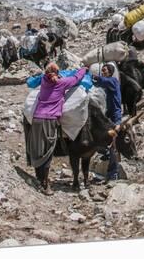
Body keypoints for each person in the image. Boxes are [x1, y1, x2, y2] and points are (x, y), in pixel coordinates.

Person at [23, 62, 87, 194]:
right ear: (57, 74)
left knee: (39, 149)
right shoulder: (61, 83)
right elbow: (76, 79)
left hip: (36, 119)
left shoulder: (43, 80)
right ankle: (45, 185)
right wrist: (83, 69)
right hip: (49, 120)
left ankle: (39, 179)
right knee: (48, 151)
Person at [92, 64, 122, 181]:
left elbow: (101, 80)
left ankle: (113, 173)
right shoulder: (107, 84)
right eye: (102, 70)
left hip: (115, 116)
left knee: (113, 144)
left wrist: (92, 76)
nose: (103, 72)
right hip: (108, 116)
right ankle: (104, 152)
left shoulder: (113, 81)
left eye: (104, 70)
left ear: (110, 72)